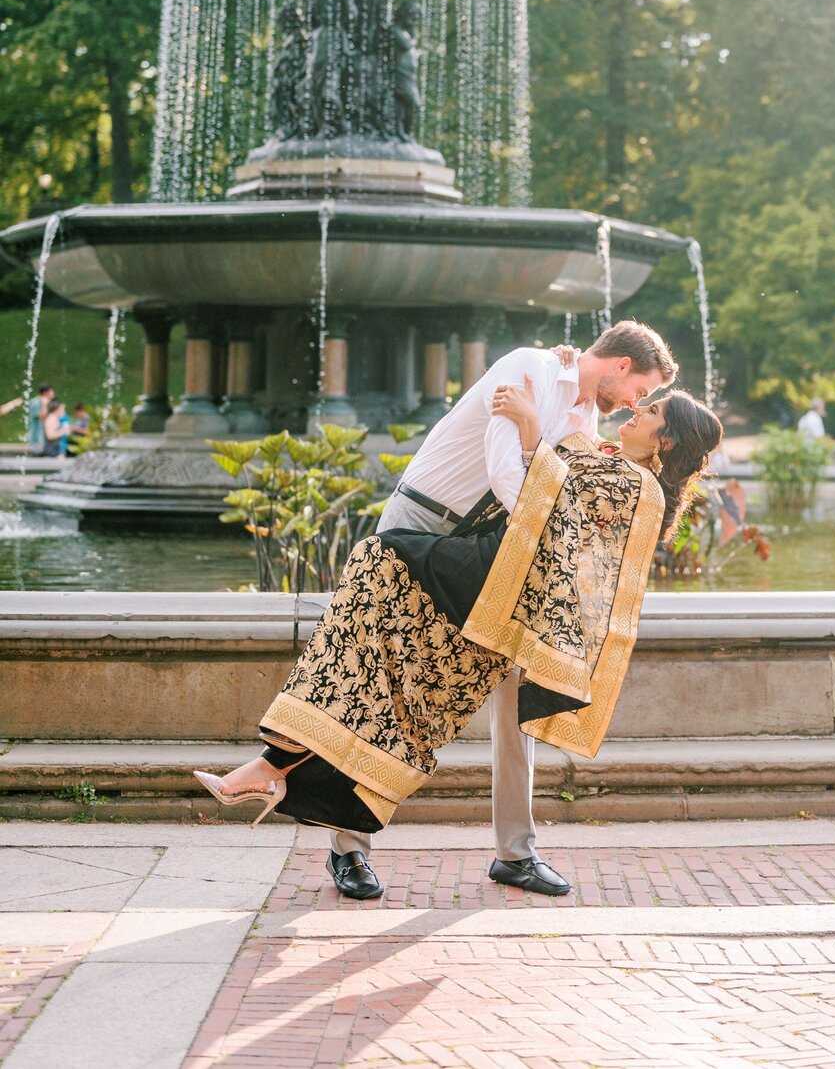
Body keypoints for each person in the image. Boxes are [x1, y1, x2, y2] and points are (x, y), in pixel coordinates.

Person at [195, 335, 719, 904]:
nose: (635, 405)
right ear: (621, 365)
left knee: (509, 705)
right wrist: (534, 445)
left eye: (649, 403)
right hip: (428, 522)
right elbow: (507, 475)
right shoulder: (532, 370)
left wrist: (537, 444)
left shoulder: (588, 411)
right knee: (375, 667)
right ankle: (348, 846)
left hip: (502, 558)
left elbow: (574, 489)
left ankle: (516, 853)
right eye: (640, 390)